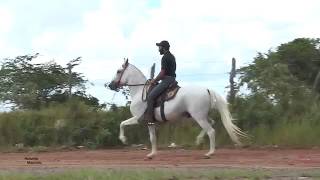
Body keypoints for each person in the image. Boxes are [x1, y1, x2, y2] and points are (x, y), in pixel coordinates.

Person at [143, 40, 176, 124]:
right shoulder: (172, 56)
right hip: (172, 79)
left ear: (163, 48)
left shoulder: (165, 57)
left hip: (166, 80)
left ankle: (150, 119)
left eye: (159, 47)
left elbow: (162, 73)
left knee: (150, 96)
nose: (158, 49)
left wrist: (154, 80)